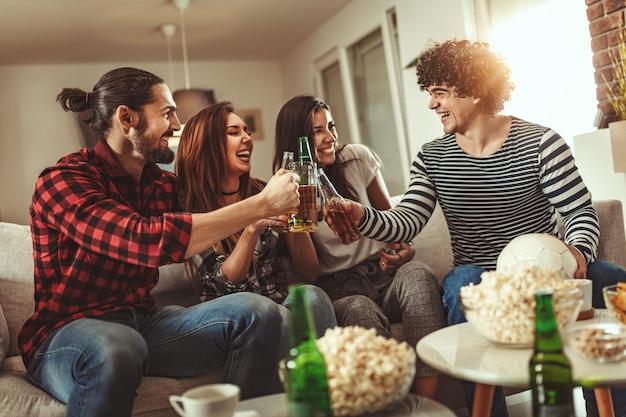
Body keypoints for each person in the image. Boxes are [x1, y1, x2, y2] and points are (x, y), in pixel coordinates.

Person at [325, 40, 626, 417]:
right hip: (484, 280)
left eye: (440, 93)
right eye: (430, 93)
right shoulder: (432, 157)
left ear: (477, 89)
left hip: (551, 275)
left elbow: (578, 210)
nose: (431, 104)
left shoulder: (543, 142)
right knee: (460, 283)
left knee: (611, 277)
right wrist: (361, 216)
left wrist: (578, 252)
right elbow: (407, 221)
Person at [18, 67, 303, 417]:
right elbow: (144, 240)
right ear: (127, 117)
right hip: (65, 335)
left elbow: (214, 198)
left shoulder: (164, 187)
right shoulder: (63, 180)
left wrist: (270, 196)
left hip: (145, 324)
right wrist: (260, 204)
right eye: (167, 113)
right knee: (119, 345)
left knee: (258, 312)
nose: (176, 124)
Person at [272, 95, 447, 399]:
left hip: (384, 274)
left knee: (418, 273)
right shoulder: (286, 186)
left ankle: (425, 405)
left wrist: (406, 251)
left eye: (331, 126)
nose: (330, 137)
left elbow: (394, 225)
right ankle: (388, 405)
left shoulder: (356, 158)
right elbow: (310, 271)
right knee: (359, 309)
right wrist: (293, 209)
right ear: (297, 139)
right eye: (317, 131)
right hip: (341, 289)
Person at [175, 101, 336, 345]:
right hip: (230, 317)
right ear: (208, 146)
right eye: (233, 132)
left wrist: (294, 213)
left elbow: (308, 271)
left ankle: (324, 379)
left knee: (312, 295)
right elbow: (225, 282)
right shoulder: (192, 209)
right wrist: (253, 226)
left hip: (277, 305)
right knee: (264, 312)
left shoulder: (262, 190)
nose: (247, 138)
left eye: (246, 131)